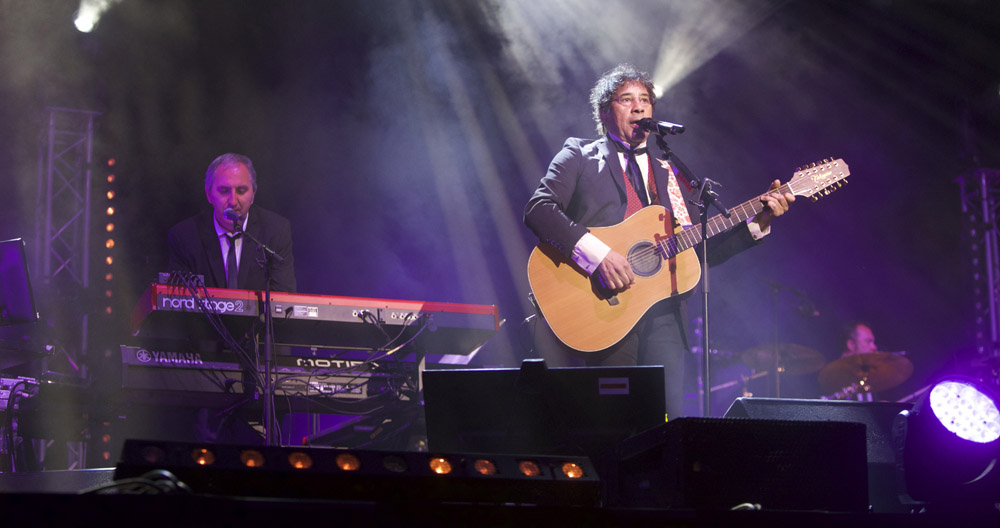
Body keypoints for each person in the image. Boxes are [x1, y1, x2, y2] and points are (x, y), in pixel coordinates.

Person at [523, 64, 794, 420]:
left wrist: (757, 223)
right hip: (604, 309)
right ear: (605, 112)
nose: (639, 108)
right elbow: (539, 209)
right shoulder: (578, 155)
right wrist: (599, 256)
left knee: (664, 425)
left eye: (646, 100)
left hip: (666, 315)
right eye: (626, 99)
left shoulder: (667, 173)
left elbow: (694, 252)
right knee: (613, 423)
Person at [167, 153, 297, 293]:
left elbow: (284, 298)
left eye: (241, 191)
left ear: (253, 195)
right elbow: (178, 304)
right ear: (208, 195)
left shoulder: (276, 231)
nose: (233, 202)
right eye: (224, 191)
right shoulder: (184, 236)